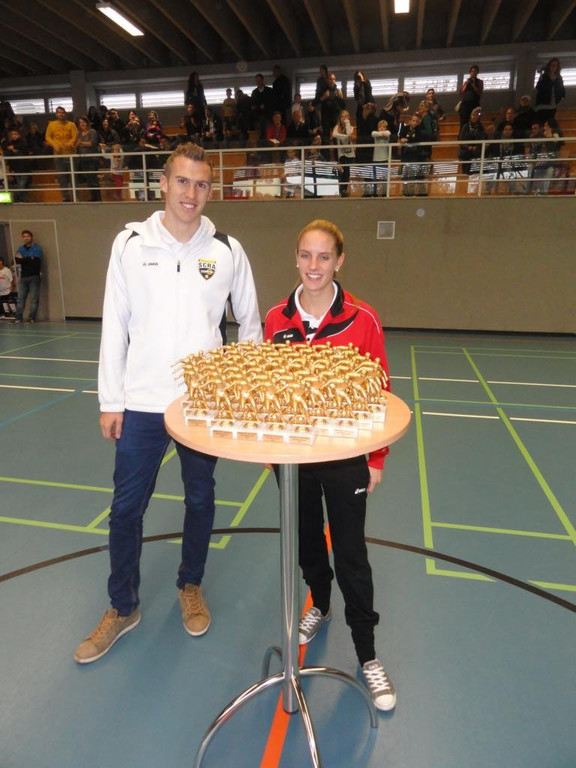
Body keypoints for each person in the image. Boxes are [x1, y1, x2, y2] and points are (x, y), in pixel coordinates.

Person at [74, 143, 262, 664]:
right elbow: (114, 324)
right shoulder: (130, 244)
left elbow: (250, 326)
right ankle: (122, 606)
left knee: (200, 499)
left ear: (210, 190)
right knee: (125, 509)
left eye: (201, 184)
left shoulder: (226, 249)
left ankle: (190, 585)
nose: (191, 193)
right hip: (141, 403)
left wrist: (237, 393)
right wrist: (111, 399)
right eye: (182, 181)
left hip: (202, 406)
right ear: (163, 183)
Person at [264, 218, 395, 712]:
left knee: (351, 553)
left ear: (339, 261)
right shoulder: (277, 318)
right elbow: (270, 389)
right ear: (295, 257)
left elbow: (381, 390)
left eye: (324, 256)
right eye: (306, 255)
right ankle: (319, 602)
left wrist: (375, 457)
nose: (313, 265)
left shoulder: (363, 318)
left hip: (345, 459)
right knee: (305, 540)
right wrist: (271, 451)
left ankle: (367, 653)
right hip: (294, 458)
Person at [44, 106, 77, 202]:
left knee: (73, 177)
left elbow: (75, 136)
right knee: (61, 177)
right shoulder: (51, 125)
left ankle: (75, 196)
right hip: (58, 155)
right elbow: (47, 137)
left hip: (70, 155)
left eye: (62, 112)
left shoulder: (71, 125)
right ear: (56, 114)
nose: (61, 114)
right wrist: (54, 144)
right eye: (59, 112)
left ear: (65, 114)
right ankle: (66, 197)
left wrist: (70, 143)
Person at [11, 230, 43, 325]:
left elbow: (36, 262)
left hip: (34, 276)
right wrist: (30, 258)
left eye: (28, 236)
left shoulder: (37, 248)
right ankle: (18, 318)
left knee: (34, 299)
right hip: (23, 277)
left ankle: (31, 318)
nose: (26, 238)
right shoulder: (20, 249)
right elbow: (18, 260)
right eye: (24, 236)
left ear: (31, 237)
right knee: (20, 299)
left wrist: (24, 259)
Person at [75, 116, 102, 201]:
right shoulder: (79, 134)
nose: (82, 124)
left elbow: (92, 143)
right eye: (80, 122)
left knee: (93, 178)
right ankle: (93, 197)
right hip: (83, 159)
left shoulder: (92, 131)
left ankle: (97, 197)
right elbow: (76, 145)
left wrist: (81, 143)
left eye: (83, 122)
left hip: (92, 159)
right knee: (88, 178)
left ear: (87, 122)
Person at [535, 58, 565, 125]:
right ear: (549, 66)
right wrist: (541, 78)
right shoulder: (544, 76)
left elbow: (561, 87)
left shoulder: (559, 77)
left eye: (555, 65)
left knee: (550, 123)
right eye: (552, 65)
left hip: (554, 104)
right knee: (542, 122)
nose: (553, 67)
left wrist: (562, 96)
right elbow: (538, 87)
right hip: (543, 104)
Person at [332, 109, 355, 197]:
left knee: (347, 171)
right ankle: (342, 189)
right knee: (343, 170)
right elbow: (334, 134)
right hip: (341, 154)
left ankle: (343, 189)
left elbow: (349, 133)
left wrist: (347, 123)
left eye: (346, 116)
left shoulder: (351, 127)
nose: (344, 118)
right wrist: (345, 137)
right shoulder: (337, 127)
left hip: (350, 153)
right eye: (342, 116)